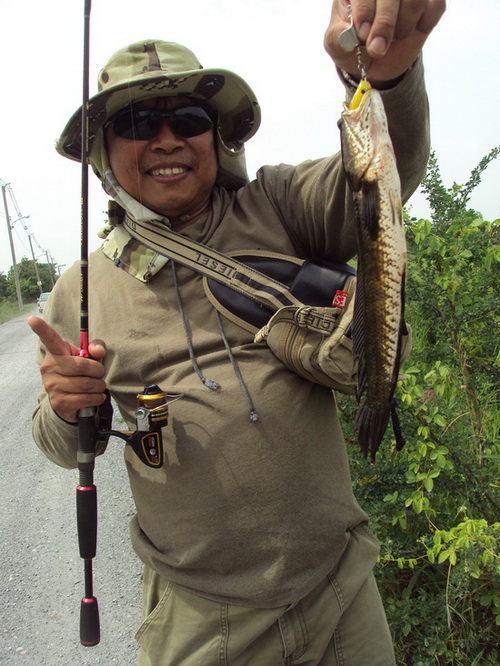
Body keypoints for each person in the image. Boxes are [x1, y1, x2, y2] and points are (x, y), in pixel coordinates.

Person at [29, 1, 445, 664]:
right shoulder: (79, 291)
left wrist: (387, 79)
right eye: (138, 123)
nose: (167, 139)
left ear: (215, 137)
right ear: (105, 151)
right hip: (200, 619)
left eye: (188, 119)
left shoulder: (278, 204)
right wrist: (64, 406)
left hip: (339, 586)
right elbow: (55, 441)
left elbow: (382, 179)